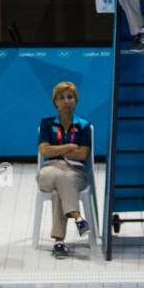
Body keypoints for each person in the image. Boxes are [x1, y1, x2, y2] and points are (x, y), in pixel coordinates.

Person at [37, 81, 93, 259]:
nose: (66, 101)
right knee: (60, 177)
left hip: (75, 172)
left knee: (60, 188)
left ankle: (59, 242)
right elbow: (44, 150)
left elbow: (83, 154)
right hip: (49, 169)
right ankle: (77, 217)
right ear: (55, 102)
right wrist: (69, 147)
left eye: (70, 97)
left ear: (76, 101)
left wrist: (57, 149)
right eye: (61, 98)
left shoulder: (84, 125)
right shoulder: (46, 124)